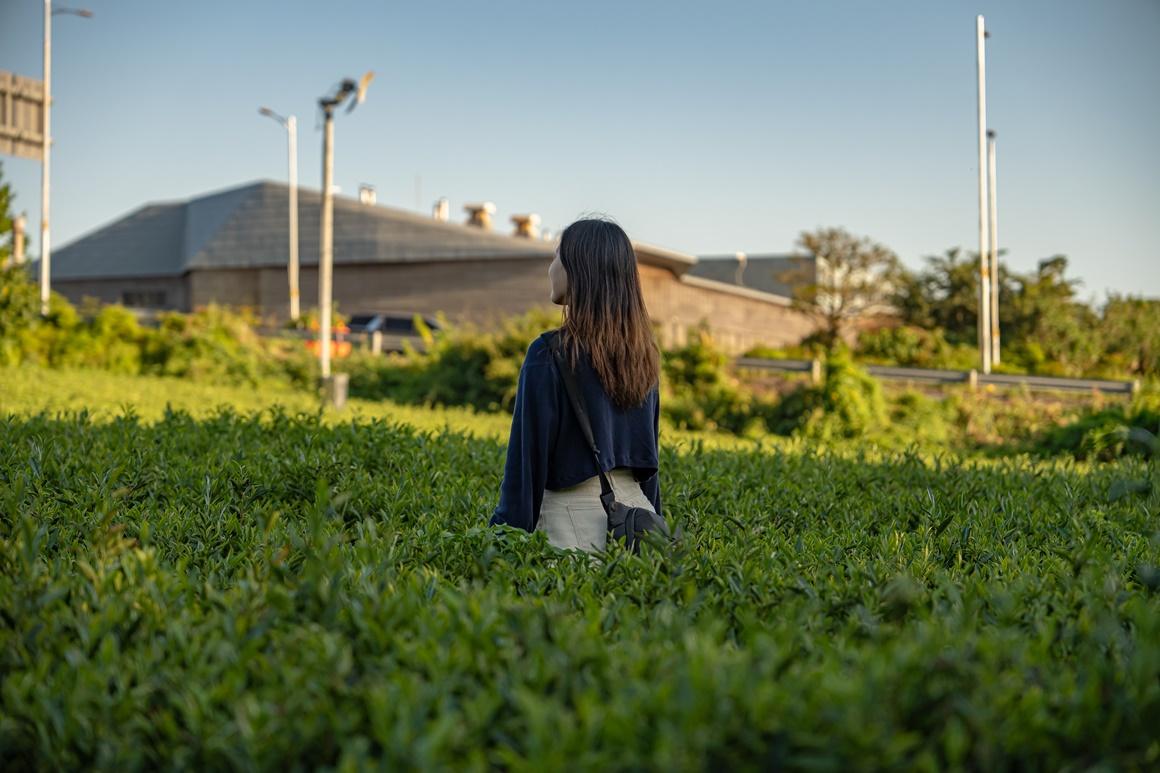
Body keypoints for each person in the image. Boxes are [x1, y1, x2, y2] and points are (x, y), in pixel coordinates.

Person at [489, 218, 662, 552]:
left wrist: (497, 545)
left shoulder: (549, 353)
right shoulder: (643, 356)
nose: (550, 268)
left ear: (578, 269)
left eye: (557, 256)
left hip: (572, 523)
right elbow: (649, 464)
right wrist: (655, 529)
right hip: (637, 519)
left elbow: (525, 469)